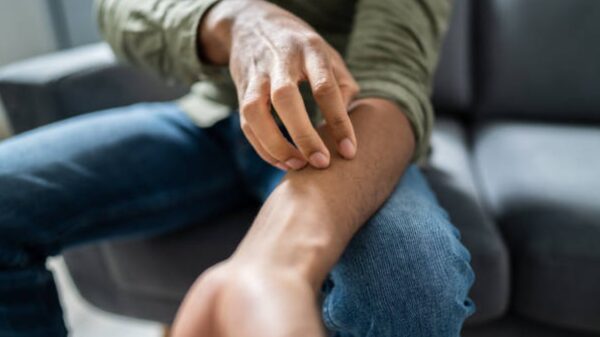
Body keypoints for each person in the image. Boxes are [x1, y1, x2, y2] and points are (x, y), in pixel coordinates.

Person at [0, 0, 475, 336]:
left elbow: (392, 79)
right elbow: (118, 12)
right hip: (210, 119)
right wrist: (234, 17)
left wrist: (275, 266)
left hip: (345, 127)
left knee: (413, 283)